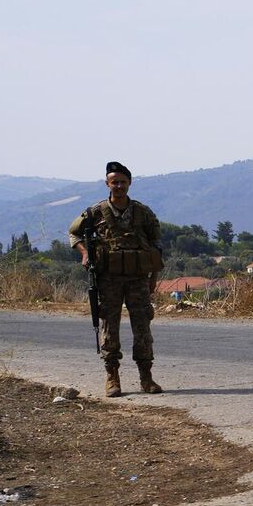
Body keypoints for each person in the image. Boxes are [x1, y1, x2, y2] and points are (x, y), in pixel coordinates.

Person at [68, 161, 164, 398]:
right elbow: (73, 233)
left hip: (137, 279)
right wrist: (85, 253)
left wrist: (153, 278)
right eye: (114, 182)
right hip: (108, 279)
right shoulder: (95, 213)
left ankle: (146, 377)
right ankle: (112, 377)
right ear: (107, 184)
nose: (119, 186)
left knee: (142, 327)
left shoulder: (143, 213)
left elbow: (155, 247)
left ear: (129, 183)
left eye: (122, 182)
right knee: (109, 327)